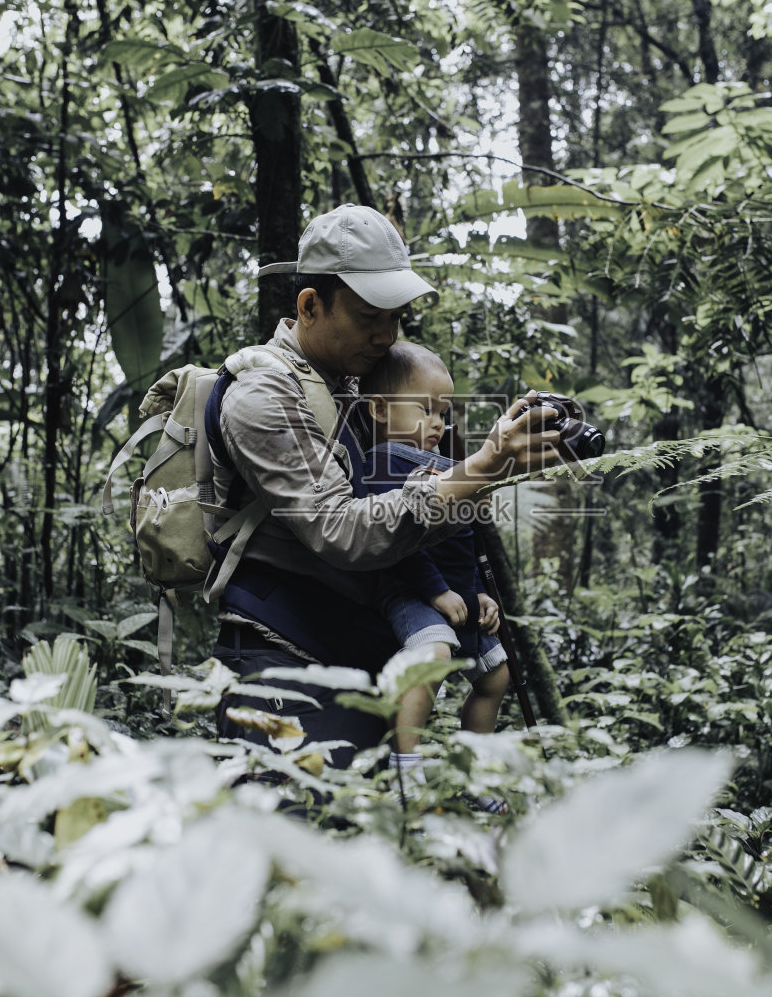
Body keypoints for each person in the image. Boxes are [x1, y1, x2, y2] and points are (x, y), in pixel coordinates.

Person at [207, 204, 559, 768]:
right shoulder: (263, 396)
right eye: (371, 315)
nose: (386, 334)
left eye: (395, 317)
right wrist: (483, 464)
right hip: (284, 657)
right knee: (298, 836)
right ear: (309, 305)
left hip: (358, 654)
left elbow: (404, 504)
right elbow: (343, 530)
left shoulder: (355, 384)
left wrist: (490, 475)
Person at [360, 343, 511, 794]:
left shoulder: (444, 467)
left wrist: (476, 593)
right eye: (424, 410)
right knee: (435, 654)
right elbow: (398, 541)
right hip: (410, 590)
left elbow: (460, 545)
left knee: (497, 673)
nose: (437, 424)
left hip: (455, 594)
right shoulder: (383, 463)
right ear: (380, 411)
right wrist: (436, 592)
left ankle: (471, 773)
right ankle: (407, 769)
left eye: (442, 413)